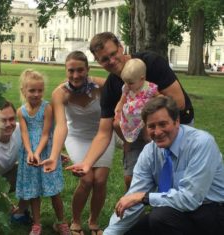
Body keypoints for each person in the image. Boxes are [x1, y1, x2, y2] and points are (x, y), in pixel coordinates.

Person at [66, 32, 194, 190]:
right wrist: (86, 163)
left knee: (174, 179)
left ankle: (168, 207)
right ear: (98, 62)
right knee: (131, 180)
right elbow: (104, 133)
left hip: (175, 124)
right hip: (136, 132)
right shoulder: (112, 87)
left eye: (113, 54)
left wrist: (144, 112)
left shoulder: (151, 63)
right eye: (105, 59)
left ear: (121, 47)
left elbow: (179, 103)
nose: (111, 61)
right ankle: (136, 207)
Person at [106, 96, 224, 235]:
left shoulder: (201, 143)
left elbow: (190, 199)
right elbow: (133, 199)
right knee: (133, 231)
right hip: (177, 210)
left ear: (177, 121)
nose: (157, 132)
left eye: (163, 124)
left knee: (160, 218)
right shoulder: (150, 152)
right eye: (151, 126)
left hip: (212, 211)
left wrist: (145, 197)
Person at [40, 51, 115, 235]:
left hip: (103, 134)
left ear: (88, 69)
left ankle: (94, 221)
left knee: (100, 180)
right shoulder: (60, 93)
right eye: (71, 71)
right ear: (66, 71)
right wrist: (54, 156)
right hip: (76, 137)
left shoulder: (102, 86)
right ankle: (75, 220)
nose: (75, 75)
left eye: (80, 70)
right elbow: (61, 127)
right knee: (87, 179)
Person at [16, 69, 70, 235]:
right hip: (29, 154)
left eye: (40, 90)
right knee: (34, 192)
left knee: (54, 191)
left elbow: (46, 133)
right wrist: (30, 152)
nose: (36, 94)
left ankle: (61, 222)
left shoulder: (46, 108)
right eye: (32, 90)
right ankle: (36, 223)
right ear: (23, 91)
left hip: (46, 152)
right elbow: (24, 133)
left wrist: (38, 152)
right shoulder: (21, 111)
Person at [0, 101, 31, 224]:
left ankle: (21, 213)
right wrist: (8, 203)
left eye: (11, 119)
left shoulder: (19, 129)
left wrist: (57, 156)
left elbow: (33, 146)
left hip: (9, 173)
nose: (8, 124)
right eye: (2, 120)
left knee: (33, 169)